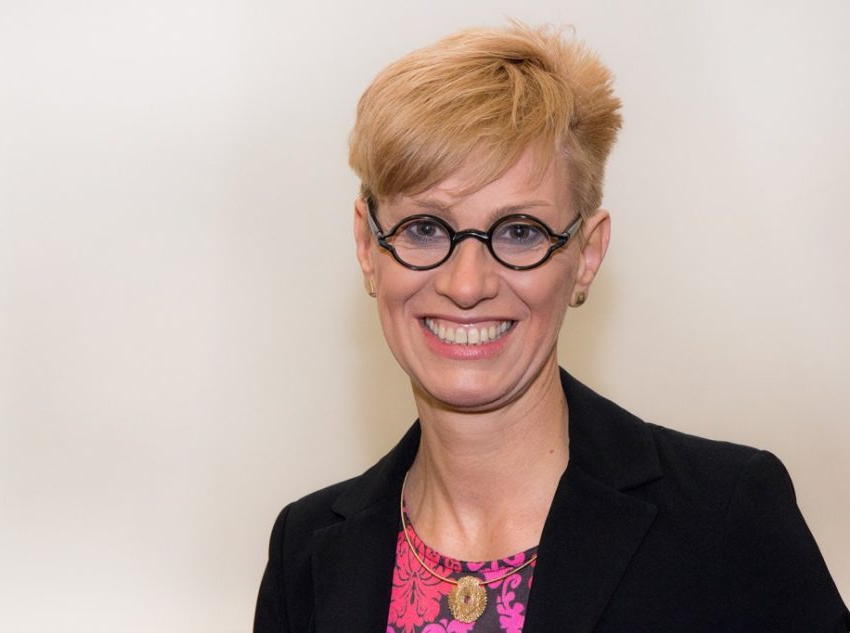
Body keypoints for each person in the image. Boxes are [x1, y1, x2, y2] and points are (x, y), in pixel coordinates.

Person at [254, 22, 849, 633]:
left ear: (586, 254)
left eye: (520, 232)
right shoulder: (303, 551)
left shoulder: (725, 517)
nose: (467, 284)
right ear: (366, 244)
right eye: (425, 228)